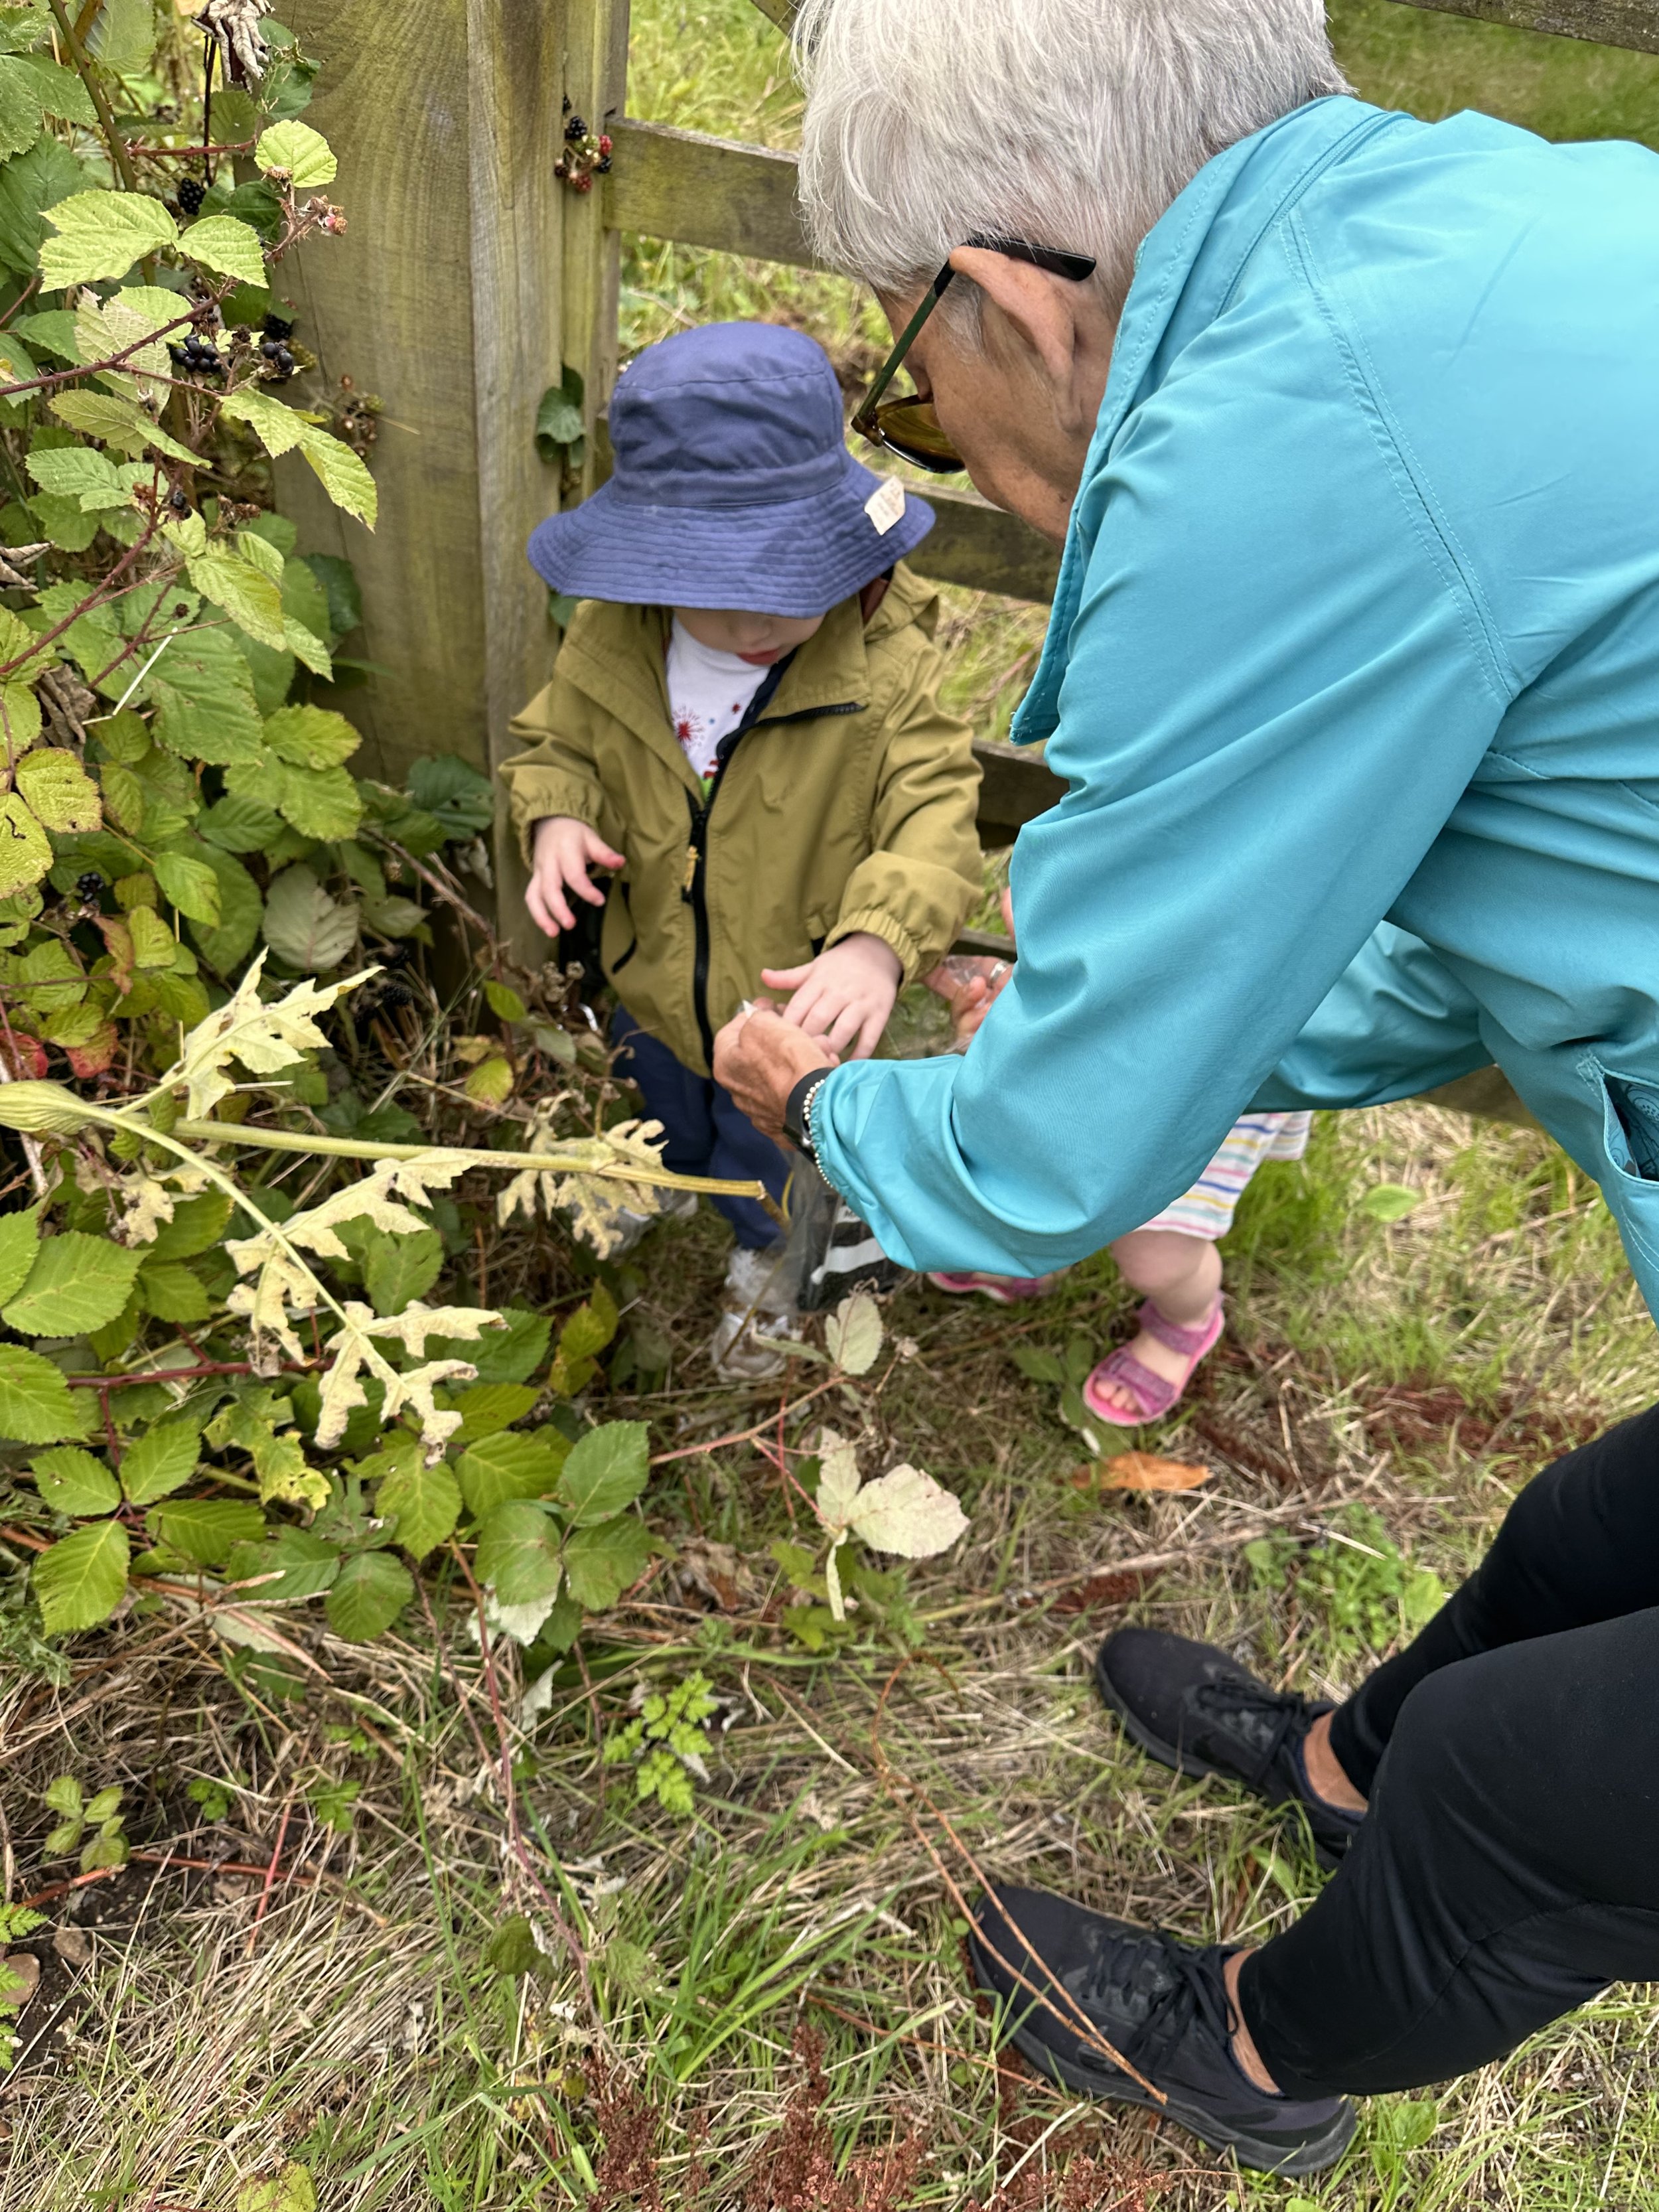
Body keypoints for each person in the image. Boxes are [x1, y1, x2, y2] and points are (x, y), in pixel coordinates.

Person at [710, 0, 1659, 2168]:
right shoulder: (1522, 236)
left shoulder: (1278, 441)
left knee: (1543, 1784)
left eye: (901, 368)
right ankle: (1342, 1770)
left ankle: (1248, 2047)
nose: (925, 423)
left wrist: (834, 1110)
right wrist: (1127, 1012)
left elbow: (1050, 1173)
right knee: (1599, 1532)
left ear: (1017, 286)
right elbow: (1523, 902)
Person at [499, 320, 981, 1376]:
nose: (761, 618)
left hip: (792, 1003)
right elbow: (556, 737)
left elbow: (934, 810)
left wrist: (878, 942)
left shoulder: (882, 672)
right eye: (721, 590)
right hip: (655, 977)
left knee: (774, 1152)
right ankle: (666, 1169)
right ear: (655, 570)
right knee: (665, 1096)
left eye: (791, 582)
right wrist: (558, 813)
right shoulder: (612, 639)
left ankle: (772, 1260)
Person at [926, 907, 1311, 1424]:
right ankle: (1047, 1255)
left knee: (1158, 1251)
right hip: (1109, 1007)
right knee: (1047, 1154)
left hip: (1228, 1051)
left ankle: (1189, 1318)